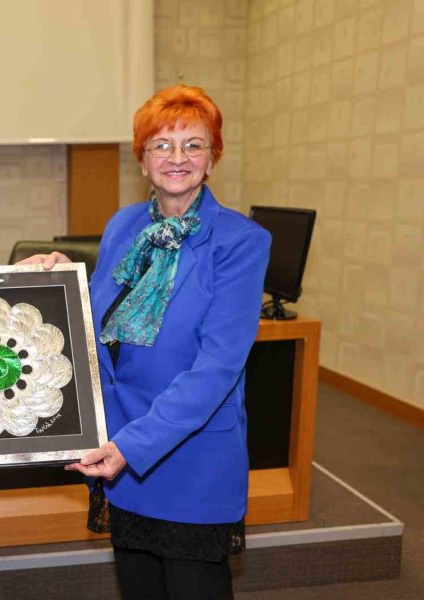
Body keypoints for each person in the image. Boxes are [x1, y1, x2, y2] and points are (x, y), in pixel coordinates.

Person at [22, 84, 271, 599]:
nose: (177, 157)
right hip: (121, 454)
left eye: (194, 144)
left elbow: (217, 369)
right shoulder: (124, 225)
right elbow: (98, 317)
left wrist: (131, 447)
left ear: (213, 158)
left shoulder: (241, 242)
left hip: (189, 455)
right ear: (142, 160)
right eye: (162, 144)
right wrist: (61, 278)